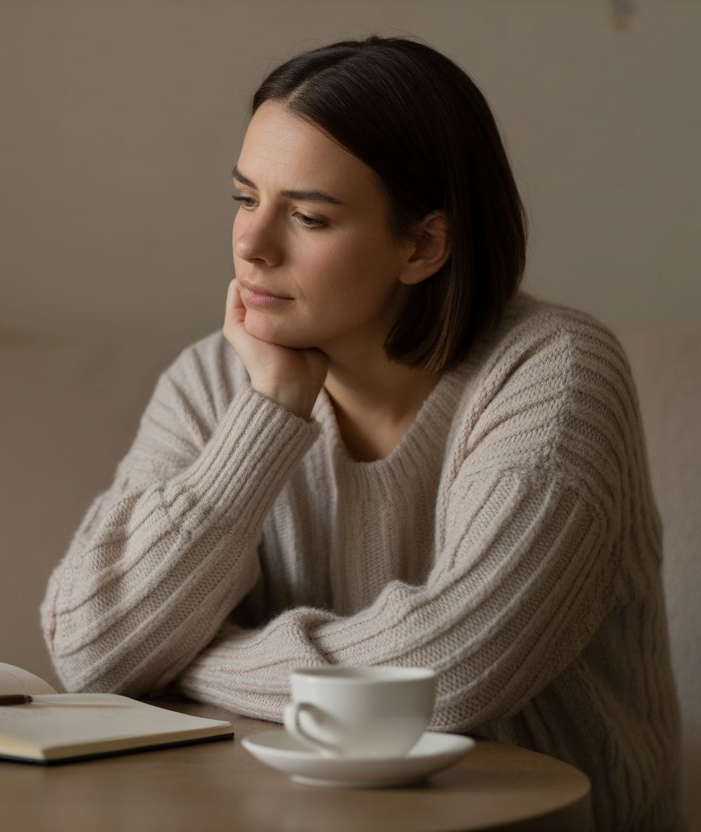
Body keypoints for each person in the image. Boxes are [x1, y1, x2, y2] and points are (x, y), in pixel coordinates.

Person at [40, 36, 681, 830]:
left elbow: (449, 674)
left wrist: (190, 662)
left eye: (307, 215)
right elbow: (91, 648)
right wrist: (269, 411)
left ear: (423, 246)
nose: (252, 243)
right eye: (245, 199)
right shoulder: (215, 380)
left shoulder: (555, 374)